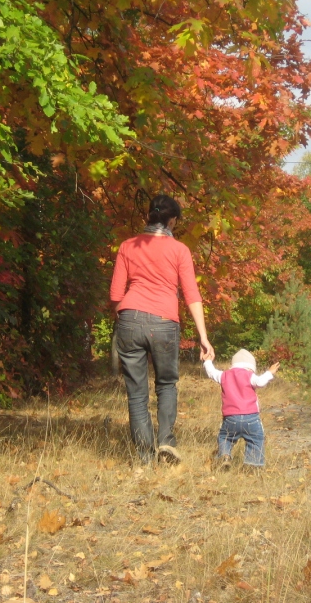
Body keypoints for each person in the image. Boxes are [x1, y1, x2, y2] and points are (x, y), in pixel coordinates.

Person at [110, 195, 214, 465]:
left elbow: (114, 294)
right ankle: (166, 442)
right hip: (165, 323)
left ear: (149, 216)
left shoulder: (126, 246)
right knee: (166, 384)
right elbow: (191, 294)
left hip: (129, 319)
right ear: (173, 220)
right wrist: (203, 336)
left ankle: (145, 458)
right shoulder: (179, 250)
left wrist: (126, 318)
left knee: (136, 393)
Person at [203, 349, 279, 470]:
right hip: (251, 418)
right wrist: (270, 372)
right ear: (251, 367)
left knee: (225, 438)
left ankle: (225, 456)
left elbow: (211, 372)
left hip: (230, 418)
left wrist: (207, 361)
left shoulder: (224, 375)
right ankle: (252, 464)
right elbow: (260, 382)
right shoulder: (249, 375)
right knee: (256, 439)